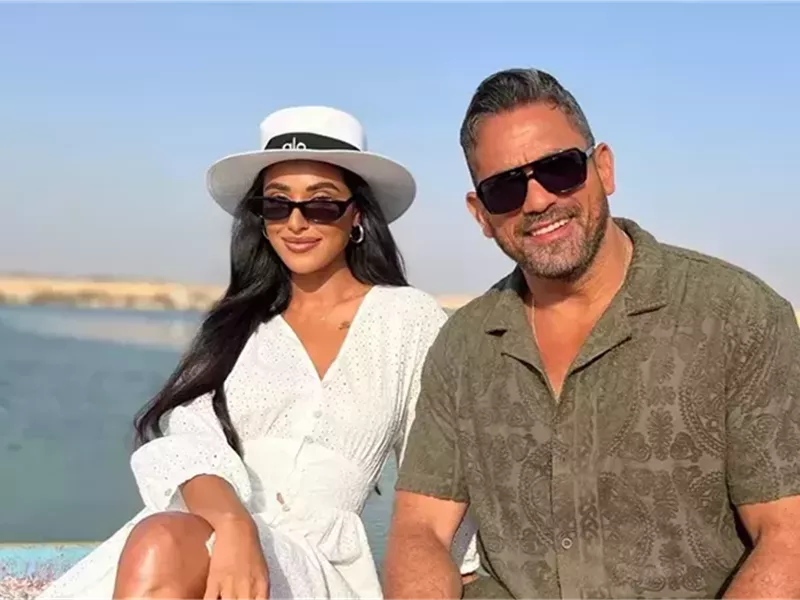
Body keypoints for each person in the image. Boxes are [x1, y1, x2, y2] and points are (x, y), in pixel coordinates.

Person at [383, 68, 800, 600]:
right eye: (505, 188)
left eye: (558, 169)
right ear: (480, 214)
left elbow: (787, 536)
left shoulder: (736, 316)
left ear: (603, 167)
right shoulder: (464, 346)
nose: (537, 200)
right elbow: (420, 529)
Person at [38, 105, 478, 600]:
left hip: (315, 570)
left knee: (162, 542)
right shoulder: (237, 326)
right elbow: (189, 443)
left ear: (356, 214)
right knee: (161, 539)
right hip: (201, 539)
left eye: (321, 205)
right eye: (277, 204)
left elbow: (440, 470)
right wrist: (234, 526)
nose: (296, 223)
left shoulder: (407, 319)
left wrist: (463, 572)